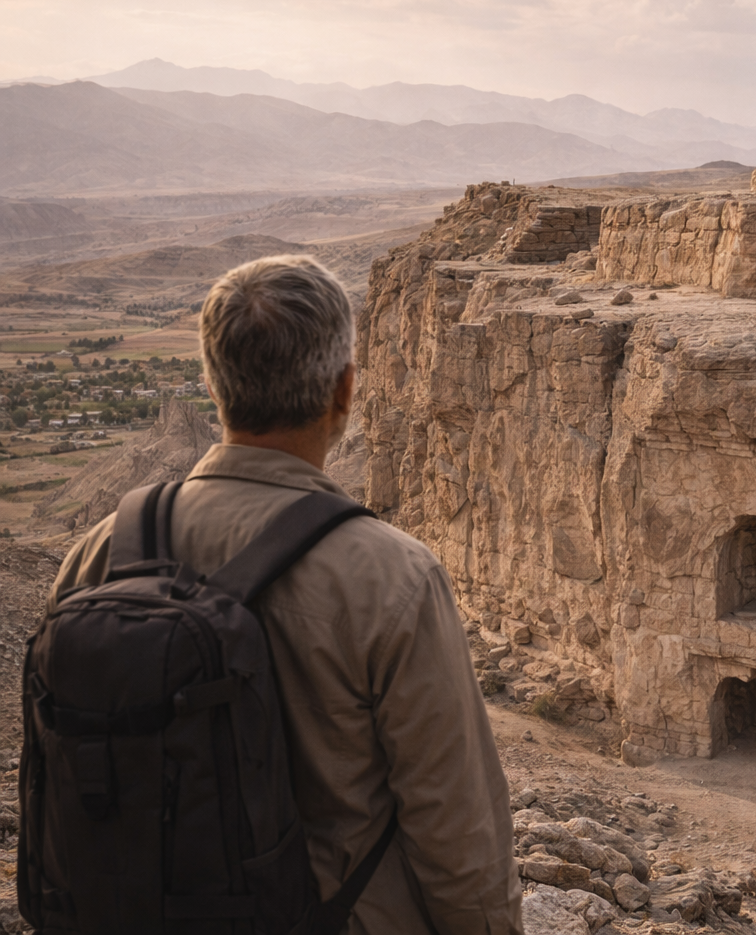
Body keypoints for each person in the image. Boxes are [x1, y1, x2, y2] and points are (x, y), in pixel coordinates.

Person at [50, 255, 522, 935]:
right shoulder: (393, 577)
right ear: (344, 391)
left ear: (213, 385)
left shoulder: (98, 554)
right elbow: (453, 825)